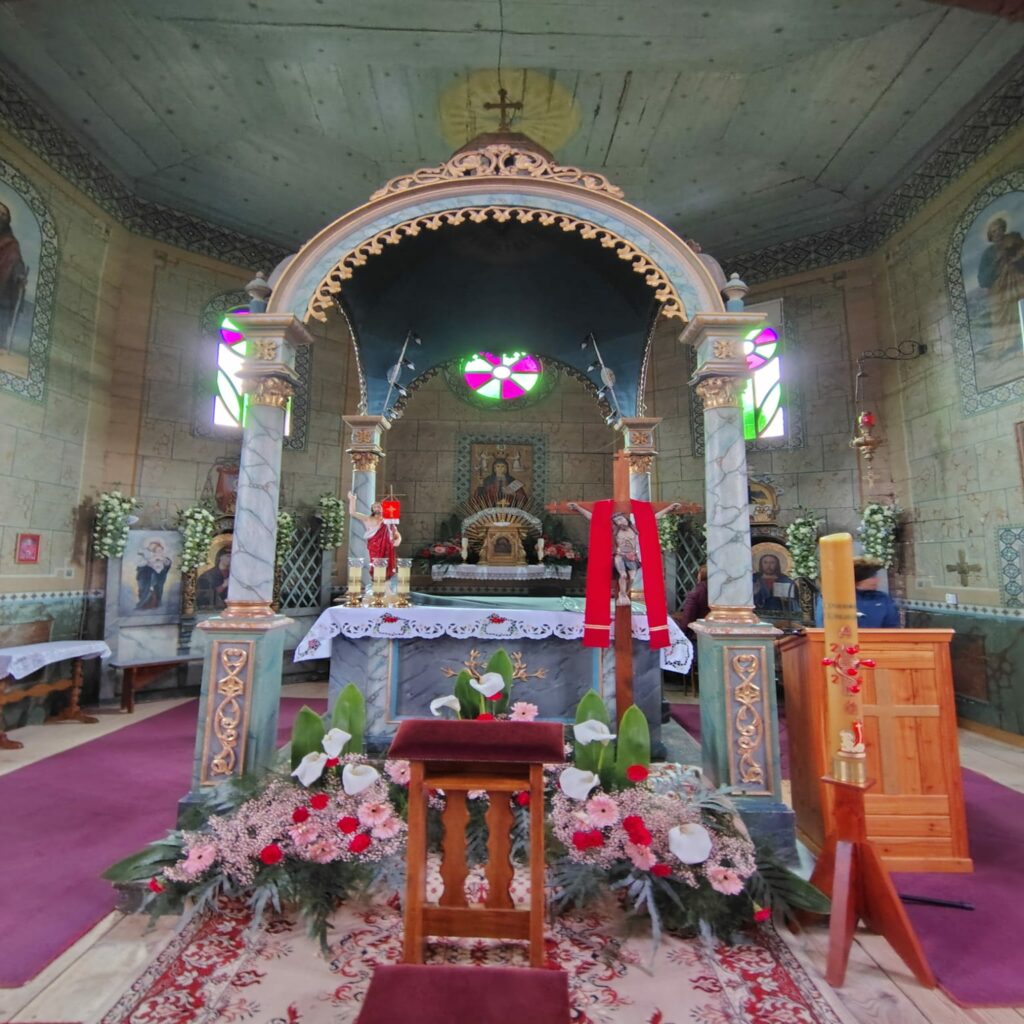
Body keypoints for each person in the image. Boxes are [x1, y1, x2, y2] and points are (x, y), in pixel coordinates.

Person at [569, 502, 680, 607]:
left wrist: (669, 508)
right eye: (617, 521)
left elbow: (653, 518)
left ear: (626, 519)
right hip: (620, 556)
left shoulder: (635, 528)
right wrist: (578, 508)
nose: (620, 522)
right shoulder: (615, 530)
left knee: (632, 578)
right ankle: (621, 594)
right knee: (623, 575)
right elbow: (594, 518)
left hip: (632, 557)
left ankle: (624, 594)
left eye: (621, 519)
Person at [977, 216, 1024, 358]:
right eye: (993, 232)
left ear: (1003, 229)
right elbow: (982, 279)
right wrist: (995, 263)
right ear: (990, 236)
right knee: (1000, 314)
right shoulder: (988, 253)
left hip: (1016, 279)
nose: (997, 233)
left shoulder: (1014, 240)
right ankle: (1008, 345)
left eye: (999, 229)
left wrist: (1016, 258)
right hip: (998, 289)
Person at [813, 556, 901, 628]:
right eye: (872, 577)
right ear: (857, 579)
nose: (877, 580)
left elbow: (892, 627)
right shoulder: (833, 598)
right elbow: (825, 626)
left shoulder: (882, 598)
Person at [348, 491, 401, 579]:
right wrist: (352, 500)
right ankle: (377, 581)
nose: (377, 508)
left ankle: (386, 583)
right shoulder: (367, 518)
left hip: (387, 546)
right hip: (374, 546)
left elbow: (396, 533)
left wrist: (398, 539)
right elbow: (352, 513)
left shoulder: (388, 520)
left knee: (387, 565)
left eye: (379, 506)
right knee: (375, 564)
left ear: (383, 508)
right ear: (372, 509)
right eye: (374, 507)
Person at [0, 201, 28, 352]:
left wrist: (19, 275)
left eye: (3, 215)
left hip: (3, 285)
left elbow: (16, 260)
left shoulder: (11, 243)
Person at [135, 538, 172, 610]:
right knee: (144, 591)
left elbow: (167, 564)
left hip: (157, 579)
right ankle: (143, 605)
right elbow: (140, 565)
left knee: (156, 591)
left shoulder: (164, 557)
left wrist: (163, 561)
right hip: (145, 578)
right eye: (155, 549)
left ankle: (156, 605)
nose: (158, 551)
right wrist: (148, 562)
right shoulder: (144, 556)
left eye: (160, 550)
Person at [677, 565, 709, 642]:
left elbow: (688, 615)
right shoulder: (719, 590)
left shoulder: (697, 592)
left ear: (700, 575)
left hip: (697, 633)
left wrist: (682, 633)